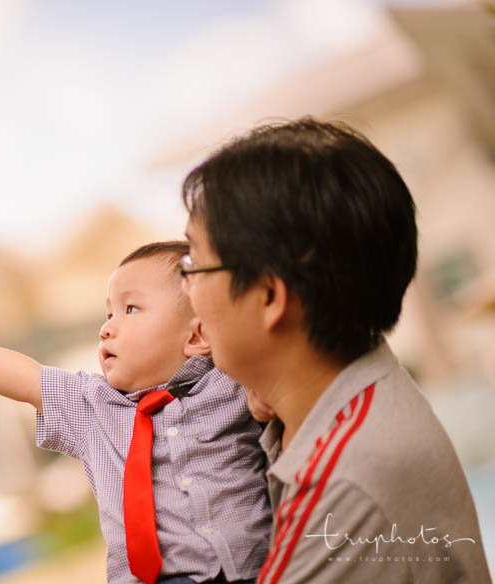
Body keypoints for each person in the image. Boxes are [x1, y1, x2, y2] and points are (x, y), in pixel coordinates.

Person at [179, 117, 490, 583]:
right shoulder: (357, 388)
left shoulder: (340, 487)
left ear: (268, 297)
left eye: (194, 265)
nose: (187, 291)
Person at [0, 241, 271, 584]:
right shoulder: (93, 406)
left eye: (130, 308)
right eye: (108, 315)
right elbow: (28, 378)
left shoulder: (234, 381)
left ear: (197, 336)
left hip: (257, 567)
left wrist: (264, 389)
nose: (107, 329)